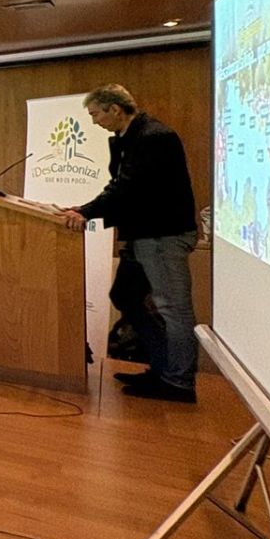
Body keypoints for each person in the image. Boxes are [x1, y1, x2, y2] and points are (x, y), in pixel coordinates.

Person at [56, 84, 201, 402]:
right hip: (142, 234)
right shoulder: (129, 138)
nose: (93, 121)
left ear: (115, 109)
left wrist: (86, 212)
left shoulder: (153, 137)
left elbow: (127, 188)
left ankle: (178, 381)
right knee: (125, 296)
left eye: (96, 114)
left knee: (173, 308)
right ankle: (162, 368)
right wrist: (85, 209)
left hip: (162, 235)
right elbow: (120, 185)